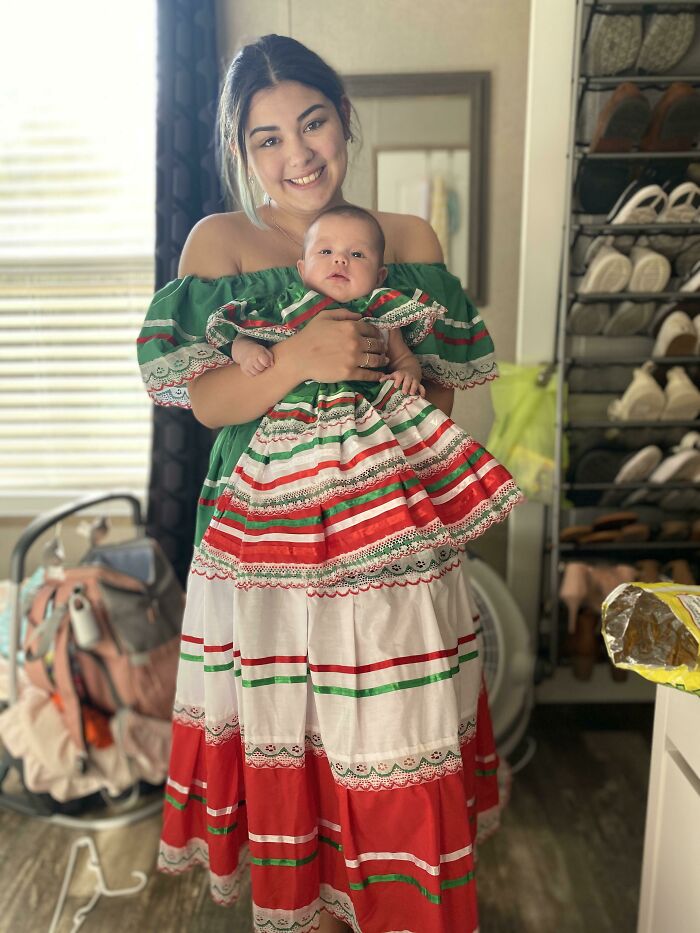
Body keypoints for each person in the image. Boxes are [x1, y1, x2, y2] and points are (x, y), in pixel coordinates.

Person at [138, 34, 521, 933]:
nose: (296, 153)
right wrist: (301, 356)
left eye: (311, 122)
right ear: (241, 151)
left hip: (390, 541)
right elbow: (205, 401)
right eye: (266, 138)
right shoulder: (221, 243)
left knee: (396, 743)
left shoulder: (410, 241)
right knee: (289, 744)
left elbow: (439, 404)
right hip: (262, 548)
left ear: (345, 119)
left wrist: (397, 356)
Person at [229, 205, 425, 397]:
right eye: (325, 252)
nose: (340, 259)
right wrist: (247, 352)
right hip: (299, 415)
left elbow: (404, 359)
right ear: (302, 270)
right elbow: (244, 335)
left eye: (357, 254)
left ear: (379, 277)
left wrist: (407, 374)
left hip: (367, 416)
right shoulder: (289, 306)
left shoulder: (382, 315)